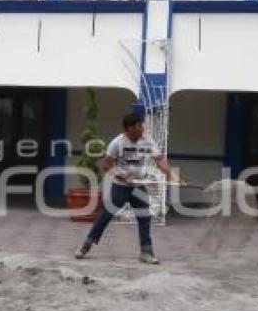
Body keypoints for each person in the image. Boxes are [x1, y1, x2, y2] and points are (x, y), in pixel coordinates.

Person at [74, 112, 181, 264]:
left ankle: (146, 252)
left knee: (144, 215)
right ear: (129, 128)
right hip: (121, 186)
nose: (142, 128)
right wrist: (122, 176)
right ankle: (86, 245)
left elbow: (159, 160)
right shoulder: (117, 143)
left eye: (142, 125)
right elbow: (106, 165)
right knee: (107, 215)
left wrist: (171, 175)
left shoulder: (148, 140)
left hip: (138, 185)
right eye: (139, 125)